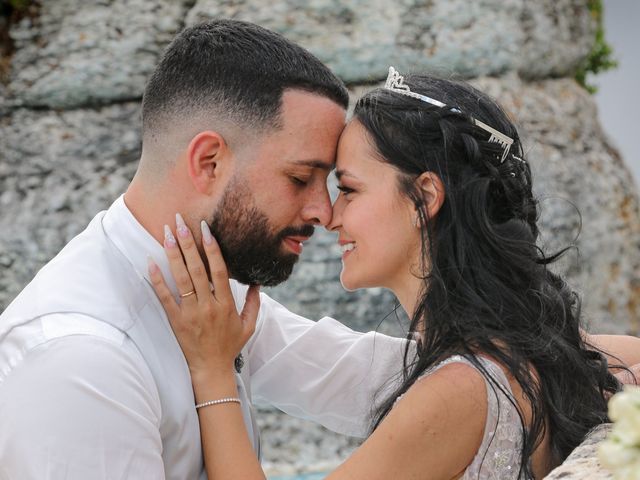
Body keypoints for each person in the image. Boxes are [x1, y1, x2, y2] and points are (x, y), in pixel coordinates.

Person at [150, 68, 640, 479]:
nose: (328, 214)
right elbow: (336, 363)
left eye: (349, 189)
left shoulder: (459, 392)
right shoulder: (566, 351)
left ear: (425, 198)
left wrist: (212, 373)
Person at [0, 21, 409, 479]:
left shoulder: (203, 292)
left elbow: (359, 377)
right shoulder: (82, 360)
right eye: (300, 179)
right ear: (208, 163)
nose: (323, 211)